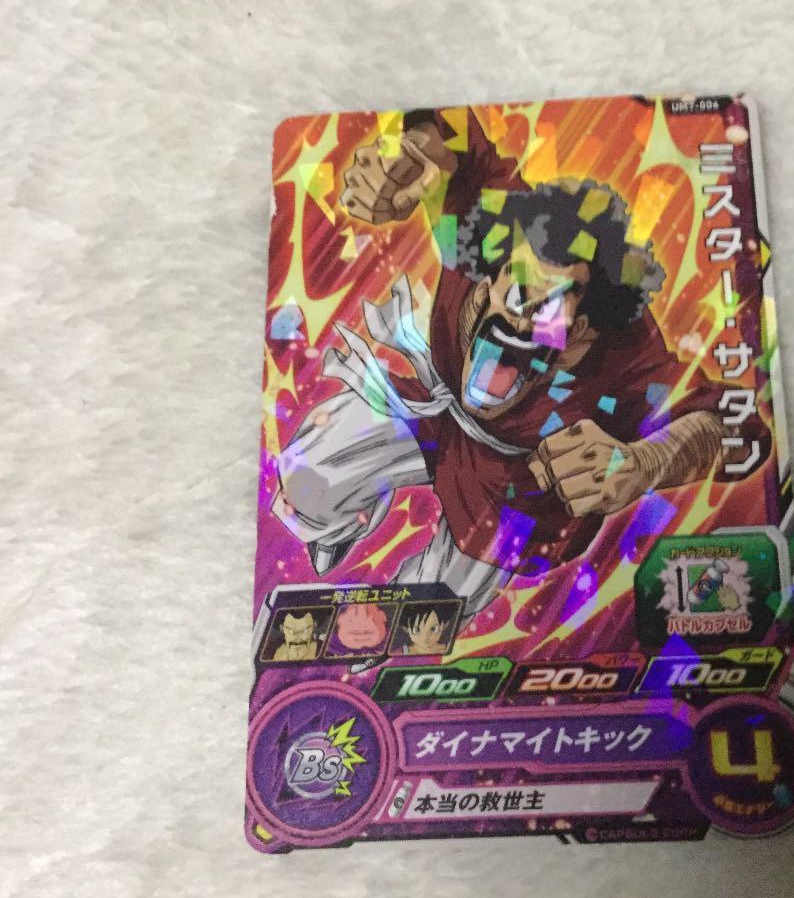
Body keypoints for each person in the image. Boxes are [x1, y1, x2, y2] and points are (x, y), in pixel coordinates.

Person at [272, 108, 768, 619]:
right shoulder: (485, 216)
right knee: (303, 477)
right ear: (492, 273)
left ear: (582, 331)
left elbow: (737, 428)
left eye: (549, 308)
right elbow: (451, 131)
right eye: (517, 290)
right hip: (434, 415)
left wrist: (646, 463)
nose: (523, 316)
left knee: (418, 621)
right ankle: (338, 526)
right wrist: (406, 153)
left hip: (512, 495)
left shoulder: (624, 353)